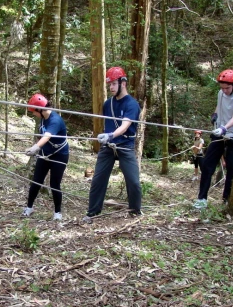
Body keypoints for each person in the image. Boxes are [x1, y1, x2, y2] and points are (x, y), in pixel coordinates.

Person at [83, 66, 142, 221]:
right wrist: (105, 136)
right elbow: (109, 124)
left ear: (123, 83)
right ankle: (93, 212)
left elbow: (125, 125)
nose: (111, 87)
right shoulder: (107, 104)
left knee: (134, 182)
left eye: (114, 83)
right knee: (98, 180)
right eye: (109, 84)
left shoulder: (132, 104)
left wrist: (110, 135)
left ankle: (135, 212)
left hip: (125, 146)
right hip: (108, 147)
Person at [193, 69, 233, 209]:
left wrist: (225, 128)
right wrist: (215, 115)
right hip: (218, 134)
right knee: (206, 165)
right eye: (222, 88)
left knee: (232, 167)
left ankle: (227, 199)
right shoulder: (221, 93)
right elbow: (218, 106)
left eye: (227, 88)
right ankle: (202, 199)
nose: (224, 91)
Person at [21, 94, 69, 221]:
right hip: (45, 153)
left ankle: (57, 212)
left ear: (40, 110)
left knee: (55, 184)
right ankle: (29, 207)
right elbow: (42, 135)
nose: (33, 114)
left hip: (60, 155)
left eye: (34, 112)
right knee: (36, 181)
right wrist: (38, 147)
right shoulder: (43, 118)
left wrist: (35, 147)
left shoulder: (55, 120)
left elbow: (47, 135)